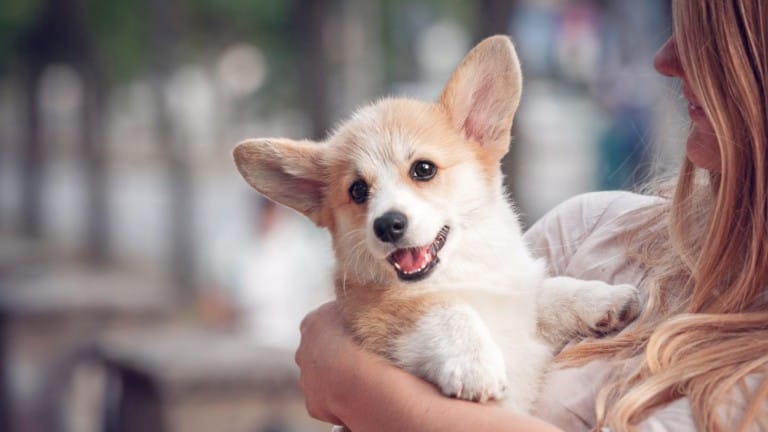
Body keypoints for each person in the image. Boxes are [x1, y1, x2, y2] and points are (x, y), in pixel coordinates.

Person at [293, 0, 768, 430]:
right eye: (359, 190)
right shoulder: (590, 231)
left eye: (712, 40)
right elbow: (512, 307)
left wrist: (358, 385)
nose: (664, 60)